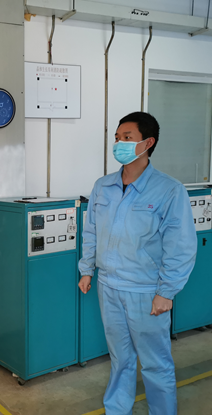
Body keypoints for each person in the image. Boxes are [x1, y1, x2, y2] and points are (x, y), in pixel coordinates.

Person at [78, 112, 197, 415]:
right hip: (108, 287)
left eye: (127, 137)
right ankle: (117, 409)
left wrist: (166, 292)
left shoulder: (169, 190)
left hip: (145, 291)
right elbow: (91, 231)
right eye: (117, 138)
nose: (119, 143)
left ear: (148, 143)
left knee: (156, 362)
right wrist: (87, 269)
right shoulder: (103, 186)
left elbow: (180, 246)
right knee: (120, 358)